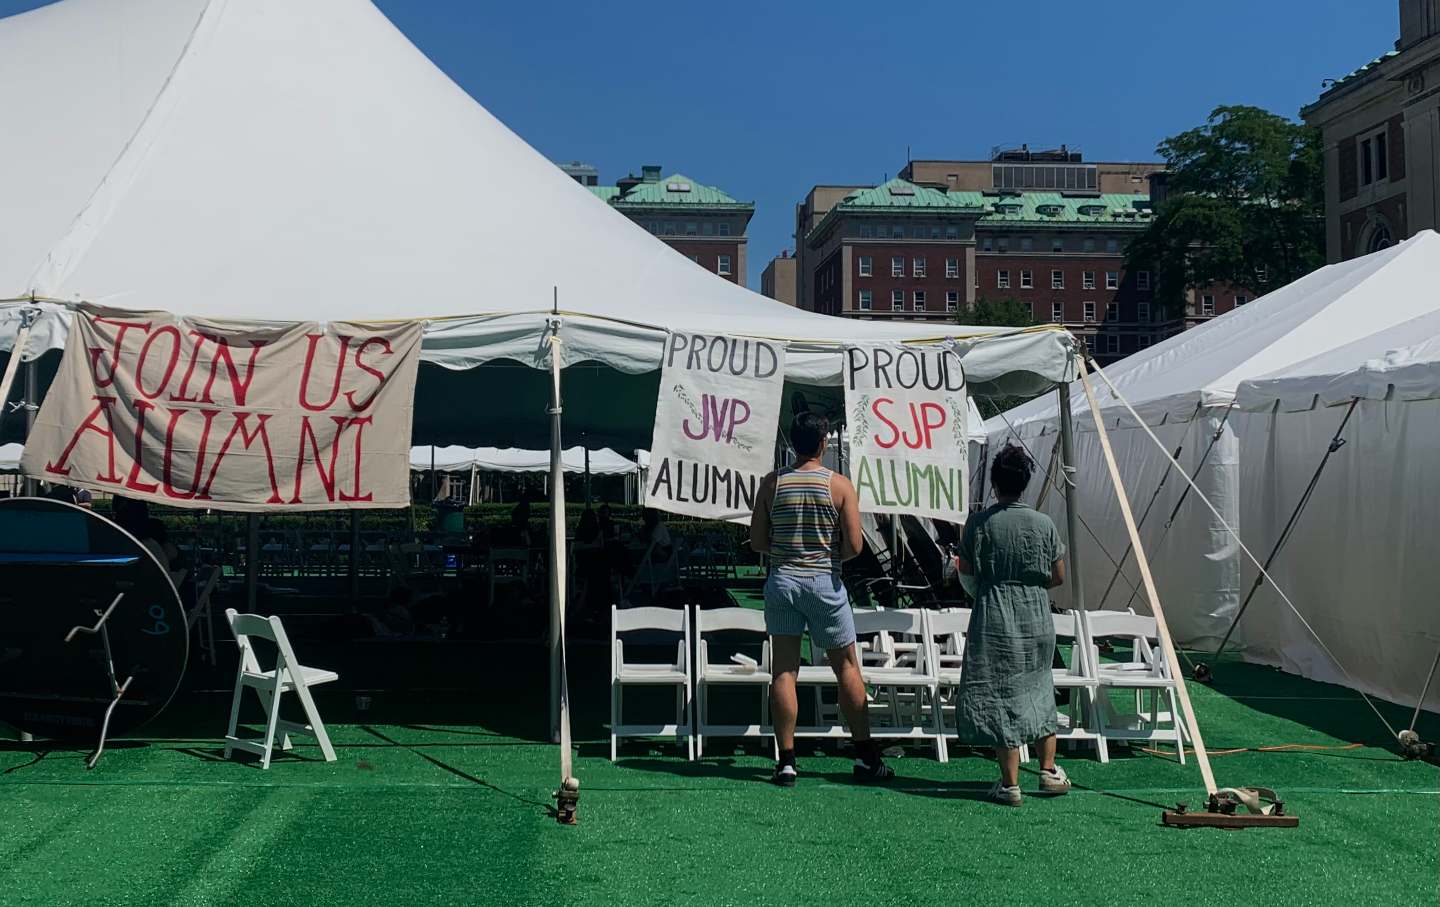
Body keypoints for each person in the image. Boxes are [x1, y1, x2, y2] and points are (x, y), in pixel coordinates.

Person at [750, 412, 892, 787]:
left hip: (782, 581)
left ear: (792, 442)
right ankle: (864, 755)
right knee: (846, 666)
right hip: (824, 582)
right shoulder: (840, 485)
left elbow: (758, 541)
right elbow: (856, 545)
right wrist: (828, 558)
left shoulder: (771, 483)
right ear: (824, 443)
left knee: (783, 670)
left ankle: (786, 760)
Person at [953, 444, 1072, 807]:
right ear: (1025, 482)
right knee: (1039, 687)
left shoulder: (979, 523)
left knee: (1001, 691)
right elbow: (1058, 576)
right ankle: (1049, 770)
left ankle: (1010, 782)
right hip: (1035, 613)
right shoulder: (1044, 524)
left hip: (995, 611)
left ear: (994, 482)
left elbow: (967, 573)